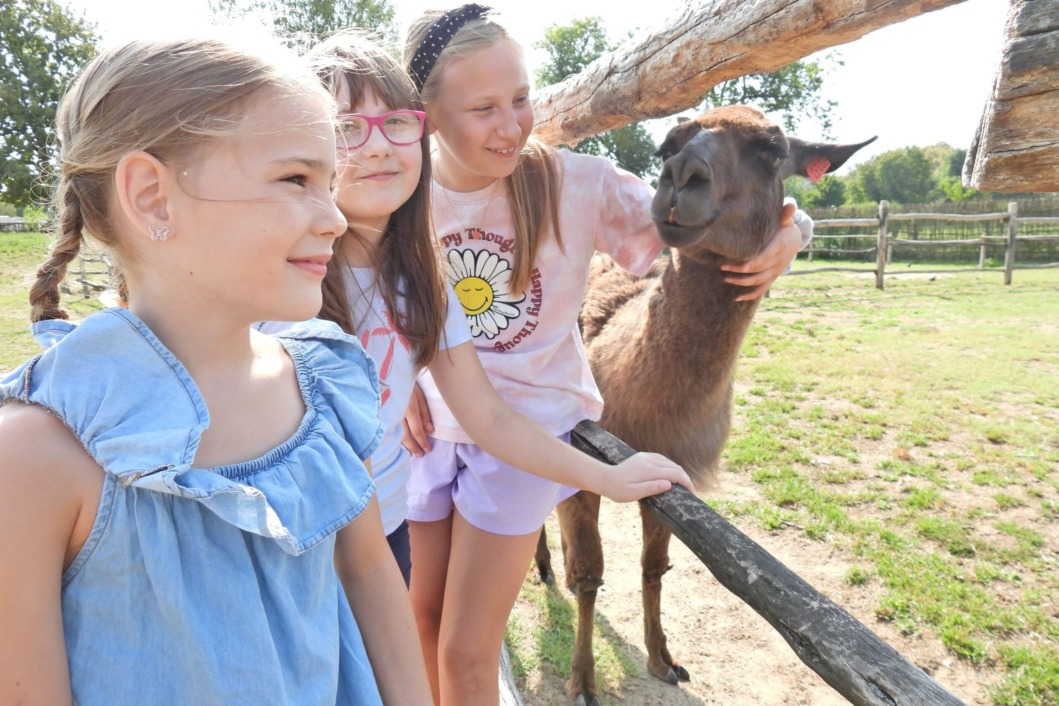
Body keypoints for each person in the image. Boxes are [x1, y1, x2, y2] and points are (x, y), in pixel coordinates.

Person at [400, 5, 814, 704]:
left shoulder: (576, 185)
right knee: (420, 617)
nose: (511, 124)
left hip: (524, 437)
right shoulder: (402, 192)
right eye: (482, 107)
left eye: (522, 100)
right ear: (428, 114)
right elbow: (367, 288)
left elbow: (701, 216)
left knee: (468, 651)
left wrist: (794, 225)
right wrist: (405, 371)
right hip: (425, 433)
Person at [0, 36, 432, 705]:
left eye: (332, 185)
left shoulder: (324, 389)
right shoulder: (36, 457)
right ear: (152, 198)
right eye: (296, 180)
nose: (335, 217)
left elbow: (368, 572)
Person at [258, 31, 692, 589]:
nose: (375, 147)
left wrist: (605, 476)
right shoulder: (276, 287)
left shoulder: (424, 282)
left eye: (394, 123)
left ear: (419, 129)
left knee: (405, 657)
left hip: (379, 534)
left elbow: (490, 417)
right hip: (287, 548)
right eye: (345, 129)